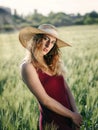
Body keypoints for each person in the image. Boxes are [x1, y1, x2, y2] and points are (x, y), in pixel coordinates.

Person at [19, 24, 82, 130]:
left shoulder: (53, 62)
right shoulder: (28, 66)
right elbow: (45, 100)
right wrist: (72, 115)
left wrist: (75, 114)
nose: (48, 45)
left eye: (53, 42)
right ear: (36, 39)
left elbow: (66, 89)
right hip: (52, 123)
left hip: (69, 118)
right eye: (46, 39)